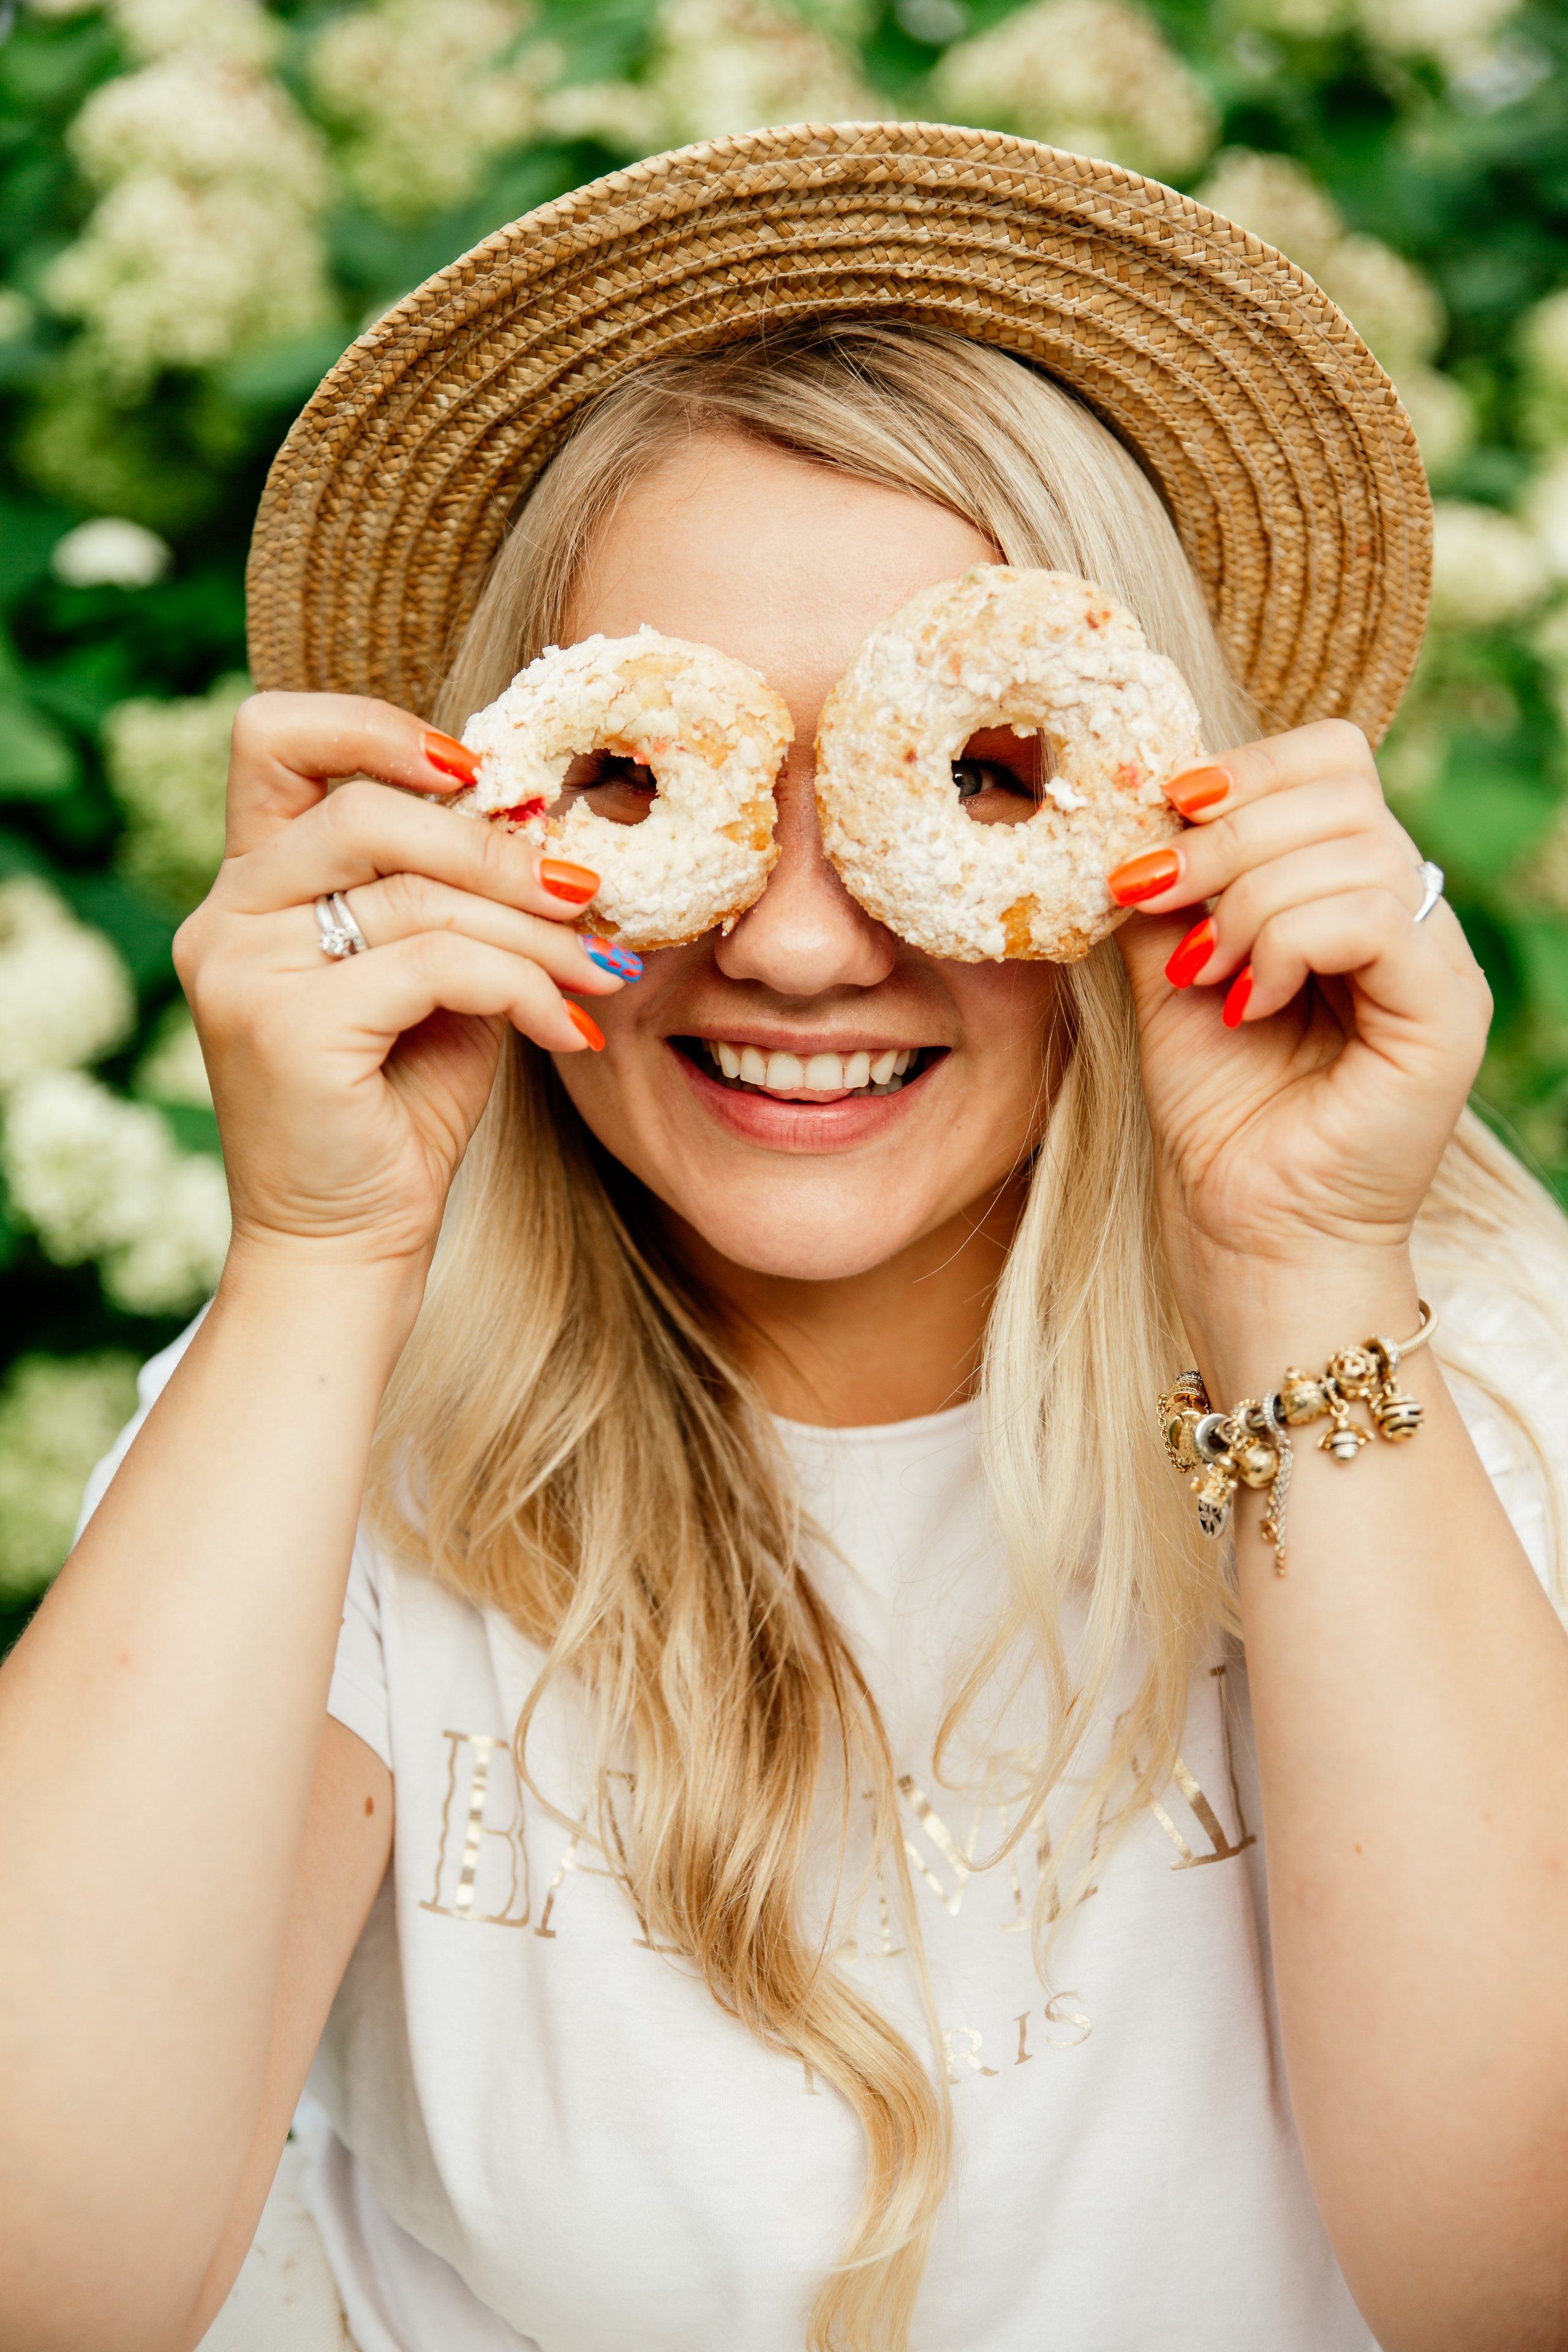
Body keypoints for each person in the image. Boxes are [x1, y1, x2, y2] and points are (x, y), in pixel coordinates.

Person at [4, 125, 1568, 2352]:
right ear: (489, 821)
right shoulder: (335, 1421)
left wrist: (1303, 1265)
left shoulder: (1472, 1385)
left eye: (984, 782)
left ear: (1166, 825)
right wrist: (319, 1263)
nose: (808, 945)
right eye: (655, 790)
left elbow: (1521, 2286)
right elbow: (39, 2280)